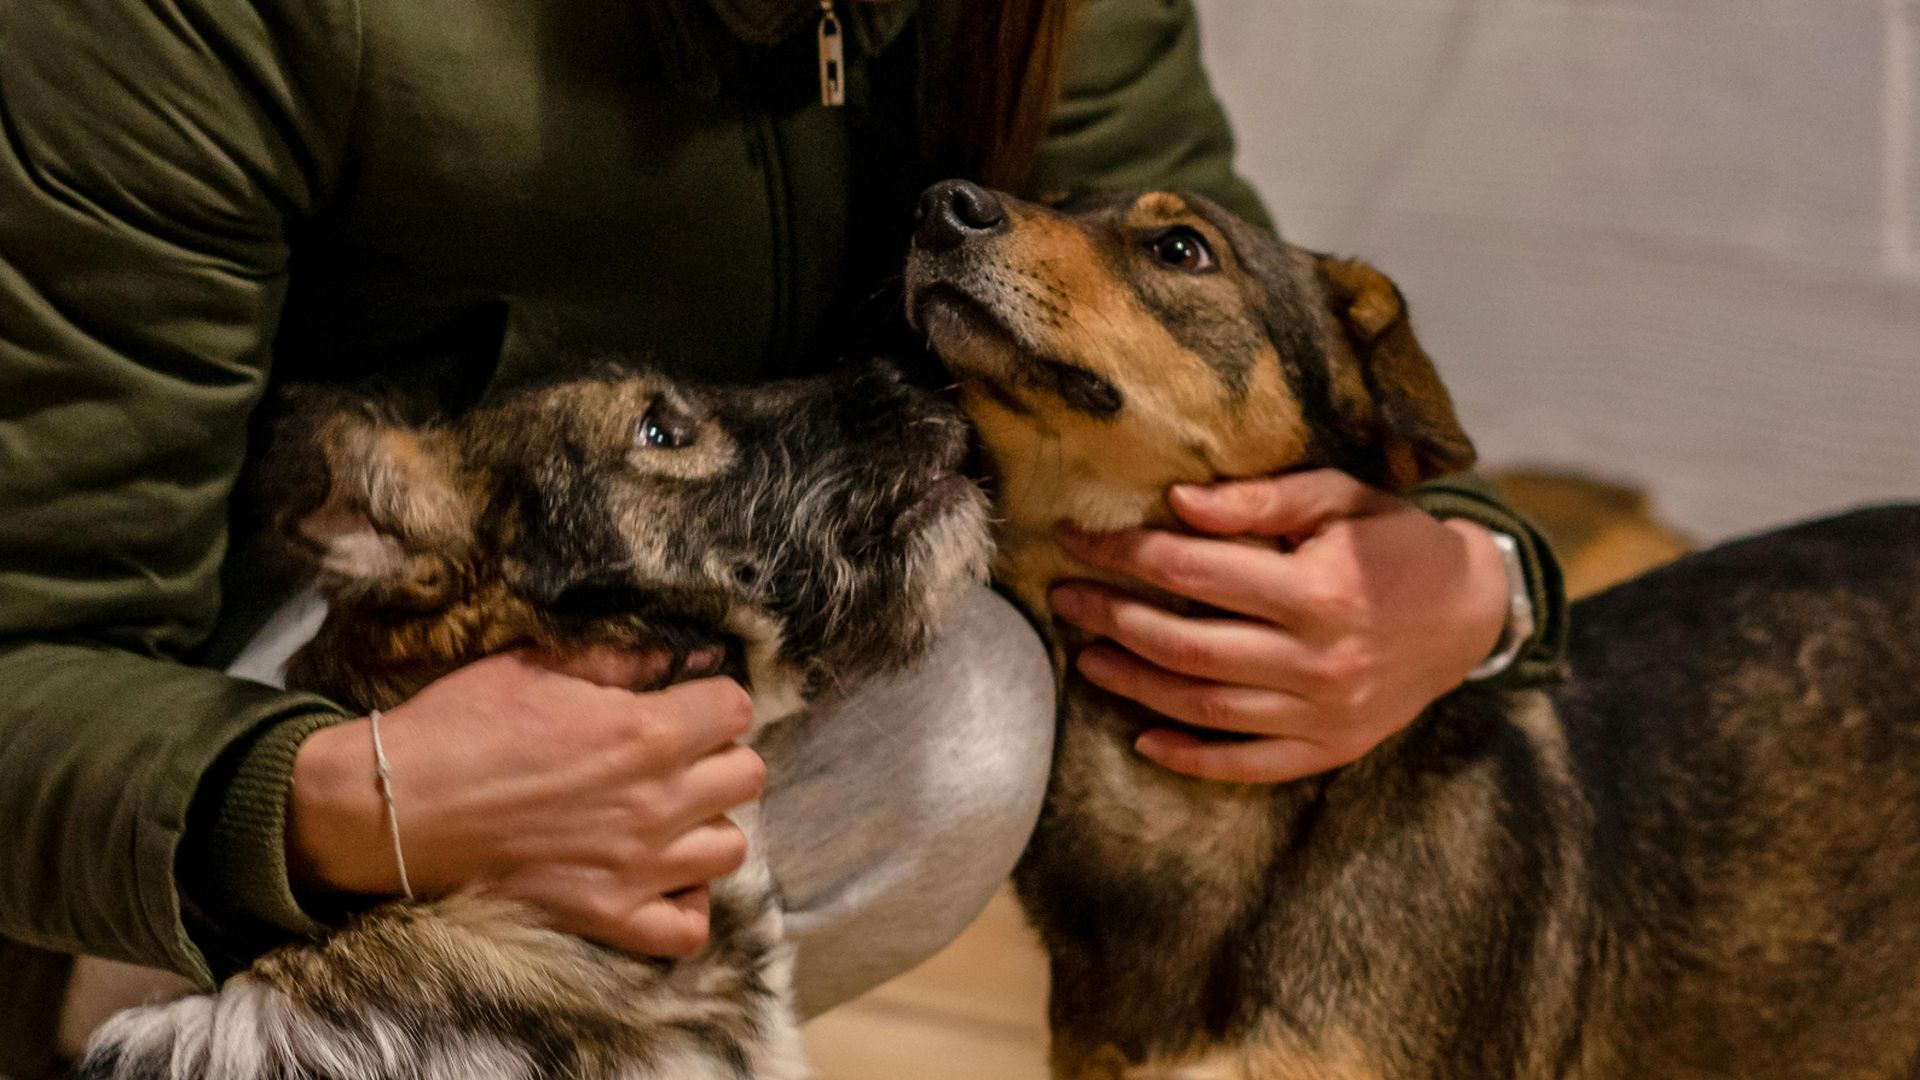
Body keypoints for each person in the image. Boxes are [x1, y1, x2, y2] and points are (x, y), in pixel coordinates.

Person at [0, 0, 1566, 1072]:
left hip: (744, 567)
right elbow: (31, 646)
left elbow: (1223, 317)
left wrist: (1474, 575)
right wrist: (327, 797)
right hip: (253, 697)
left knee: (964, 722)